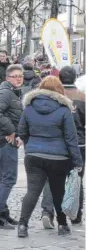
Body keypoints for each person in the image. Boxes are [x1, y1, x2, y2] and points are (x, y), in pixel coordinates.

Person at [17, 76, 83, 238]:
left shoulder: (29, 108)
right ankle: (62, 225)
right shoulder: (64, 110)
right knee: (58, 192)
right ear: (59, 90)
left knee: (32, 191)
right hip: (58, 158)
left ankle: (23, 225)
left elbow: (22, 132)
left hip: (34, 156)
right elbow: (70, 138)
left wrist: (30, 148)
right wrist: (77, 161)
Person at [41, 66, 86, 227]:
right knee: (76, 179)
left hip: (56, 142)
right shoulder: (83, 97)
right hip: (79, 143)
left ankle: (47, 211)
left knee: (50, 178)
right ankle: (76, 214)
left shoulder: (54, 97)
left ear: (59, 77)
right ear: (75, 78)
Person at [0, 65, 24, 229]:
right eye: (15, 76)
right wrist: (10, 130)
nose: (18, 78)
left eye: (21, 76)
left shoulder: (14, 92)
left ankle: (2, 211)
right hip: (4, 140)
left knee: (4, 177)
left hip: (5, 139)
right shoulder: (6, 92)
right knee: (9, 178)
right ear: (7, 79)